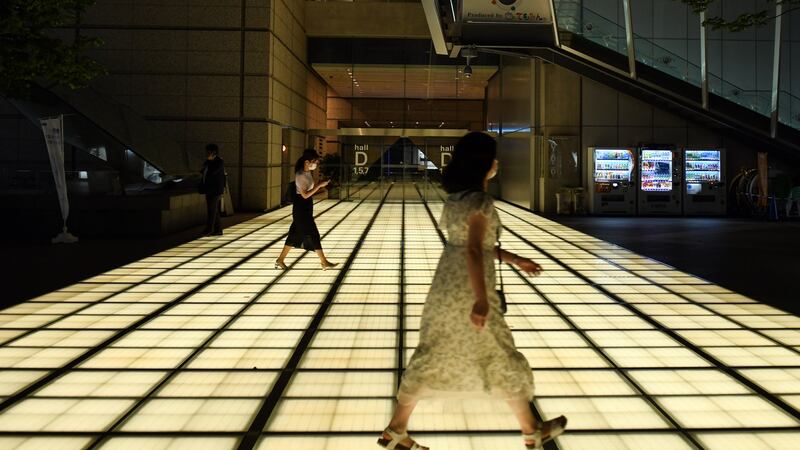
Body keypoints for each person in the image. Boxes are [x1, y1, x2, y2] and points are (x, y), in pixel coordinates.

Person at [378, 132, 567, 450]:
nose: (496, 163)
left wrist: (514, 258)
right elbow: (474, 252)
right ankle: (531, 430)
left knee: (434, 351)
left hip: (445, 289)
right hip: (470, 288)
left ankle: (396, 429)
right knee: (498, 352)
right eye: (493, 157)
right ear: (484, 164)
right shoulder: (480, 201)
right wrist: (481, 299)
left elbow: (469, 244)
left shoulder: (456, 200)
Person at [275, 149, 338, 271]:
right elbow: (304, 195)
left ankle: (280, 260)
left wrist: (320, 186)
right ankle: (324, 262)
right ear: (307, 161)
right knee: (313, 234)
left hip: (305, 207)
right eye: (314, 162)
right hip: (301, 209)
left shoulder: (307, 172)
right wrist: (319, 186)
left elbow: (309, 191)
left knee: (293, 235)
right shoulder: (300, 176)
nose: (316, 164)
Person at [200, 143, 226, 236]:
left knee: (212, 210)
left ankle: (209, 229)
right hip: (208, 189)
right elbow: (203, 171)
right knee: (213, 210)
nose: (206, 153)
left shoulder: (219, 161)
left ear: (213, 152)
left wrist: (210, 162)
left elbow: (213, 172)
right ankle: (218, 230)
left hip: (215, 190)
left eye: (208, 151)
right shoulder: (207, 161)